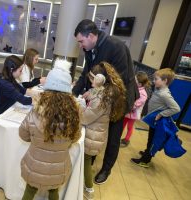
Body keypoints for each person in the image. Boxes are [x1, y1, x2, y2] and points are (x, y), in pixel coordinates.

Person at [73, 19, 139, 184]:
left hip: (119, 98)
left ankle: (106, 169)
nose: (80, 45)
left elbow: (120, 82)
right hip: (101, 94)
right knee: (96, 128)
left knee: (113, 135)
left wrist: (97, 95)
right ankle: (91, 158)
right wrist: (73, 94)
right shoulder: (90, 48)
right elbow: (86, 73)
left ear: (92, 36)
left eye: (81, 41)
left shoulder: (116, 47)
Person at [19, 59, 81, 200]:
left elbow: (23, 134)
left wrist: (36, 139)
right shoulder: (74, 116)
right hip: (58, 169)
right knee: (54, 193)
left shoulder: (36, 112)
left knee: (29, 191)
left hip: (34, 166)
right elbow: (76, 138)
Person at [81, 62, 126, 200]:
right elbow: (93, 94)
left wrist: (77, 107)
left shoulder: (101, 99)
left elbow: (85, 118)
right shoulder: (105, 92)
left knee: (86, 163)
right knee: (86, 161)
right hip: (95, 134)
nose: (90, 83)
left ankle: (89, 190)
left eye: (91, 80)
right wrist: (87, 95)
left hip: (92, 137)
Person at [131, 68, 181, 167]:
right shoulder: (158, 89)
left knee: (152, 140)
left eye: (156, 79)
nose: (154, 81)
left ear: (165, 81)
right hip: (154, 121)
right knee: (150, 139)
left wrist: (161, 114)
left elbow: (176, 108)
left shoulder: (164, 94)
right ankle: (147, 152)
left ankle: (145, 160)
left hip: (158, 123)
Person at [0, 55, 33, 133]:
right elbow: (24, 100)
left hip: (4, 112)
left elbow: (22, 90)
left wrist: (37, 94)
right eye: (20, 71)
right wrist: (39, 99)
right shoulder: (5, 84)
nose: (21, 73)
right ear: (11, 70)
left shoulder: (9, 78)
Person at [121, 71, 150, 147]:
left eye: (135, 81)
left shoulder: (143, 94)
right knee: (122, 124)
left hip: (133, 114)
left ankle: (126, 139)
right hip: (128, 112)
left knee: (129, 127)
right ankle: (118, 137)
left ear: (140, 84)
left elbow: (136, 104)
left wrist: (128, 105)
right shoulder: (135, 88)